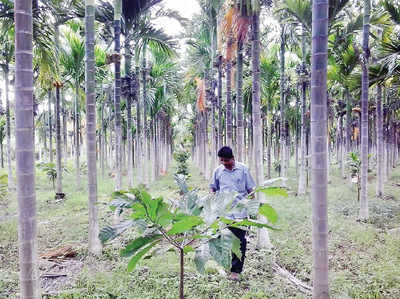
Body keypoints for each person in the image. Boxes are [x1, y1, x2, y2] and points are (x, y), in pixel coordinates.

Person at [210, 146, 256, 281]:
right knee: (222, 240)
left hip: (240, 213)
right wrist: (213, 201)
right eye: (222, 161)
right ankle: (223, 265)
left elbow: (250, 190)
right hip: (223, 213)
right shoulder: (218, 171)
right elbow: (213, 188)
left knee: (240, 242)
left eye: (226, 160)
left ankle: (235, 271)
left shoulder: (243, 169)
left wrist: (253, 209)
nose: (224, 163)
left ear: (232, 158)